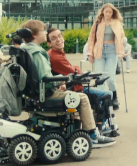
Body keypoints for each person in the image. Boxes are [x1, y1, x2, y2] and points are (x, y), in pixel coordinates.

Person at [21, 20, 116, 148]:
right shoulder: (37, 54)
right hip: (46, 94)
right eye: (43, 31)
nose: (45, 32)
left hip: (38, 93)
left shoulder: (26, 50)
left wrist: (58, 82)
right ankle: (93, 135)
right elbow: (45, 78)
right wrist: (59, 82)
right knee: (82, 98)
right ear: (34, 35)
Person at [47, 28, 119, 135]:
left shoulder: (55, 53)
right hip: (73, 89)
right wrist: (76, 69)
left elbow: (73, 71)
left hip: (70, 86)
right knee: (107, 95)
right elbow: (75, 72)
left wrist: (75, 69)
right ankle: (100, 127)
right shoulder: (56, 57)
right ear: (49, 43)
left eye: (59, 36)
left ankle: (99, 123)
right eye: (54, 38)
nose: (58, 39)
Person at [85, 3, 127, 110]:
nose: (108, 13)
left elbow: (121, 38)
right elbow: (91, 38)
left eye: (110, 12)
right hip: (99, 50)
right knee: (100, 77)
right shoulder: (98, 22)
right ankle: (102, 99)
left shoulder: (117, 23)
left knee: (110, 77)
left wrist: (121, 52)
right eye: (106, 11)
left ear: (113, 13)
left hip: (112, 50)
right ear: (103, 12)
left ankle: (114, 97)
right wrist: (90, 53)